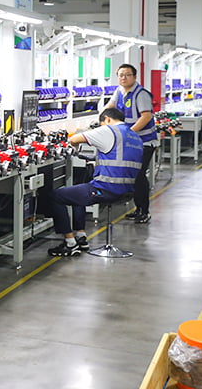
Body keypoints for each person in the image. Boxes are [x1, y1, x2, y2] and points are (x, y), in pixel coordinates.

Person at [47, 108, 144, 257]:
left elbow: (73, 140)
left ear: (107, 119)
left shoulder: (109, 130)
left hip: (107, 188)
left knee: (55, 196)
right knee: (78, 191)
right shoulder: (135, 136)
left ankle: (70, 243)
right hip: (128, 191)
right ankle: (81, 237)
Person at [105, 63, 157, 224]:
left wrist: (129, 133)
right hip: (131, 142)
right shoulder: (119, 91)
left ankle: (144, 211)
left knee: (139, 175)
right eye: (121, 75)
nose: (123, 78)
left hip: (145, 142)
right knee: (133, 175)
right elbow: (110, 107)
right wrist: (102, 120)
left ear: (134, 77)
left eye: (127, 75)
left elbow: (146, 116)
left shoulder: (141, 94)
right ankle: (138, 208)